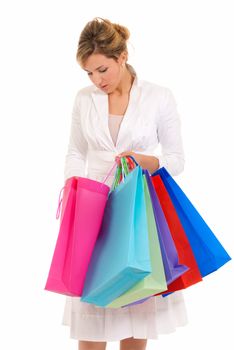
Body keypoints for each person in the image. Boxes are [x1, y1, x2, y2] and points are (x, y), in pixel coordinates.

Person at [62, 17, 188, 350]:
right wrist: (76, 190)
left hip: (137, 209)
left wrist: (145, 161)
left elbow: (176, 159)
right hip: (93, 211)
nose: (96, 80)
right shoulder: (83, 98)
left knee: (135, 303)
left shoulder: (159, 97)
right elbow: (76, 151)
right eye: (89, 73)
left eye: (102, 69)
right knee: (91, 305)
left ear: (121, 57)